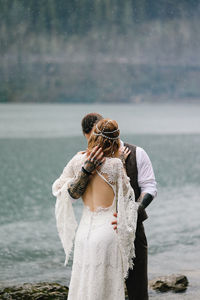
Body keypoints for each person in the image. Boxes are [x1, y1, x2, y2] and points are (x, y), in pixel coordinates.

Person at [52, 118, 139, 300]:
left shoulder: (78, 160)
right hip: (108, 232)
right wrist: (121, 161)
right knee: (106, 288)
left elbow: (58, 188)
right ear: (115, 141)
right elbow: (128, 199)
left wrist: (83, 173)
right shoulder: (115, 164)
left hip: (83, 234)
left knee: (84, 284)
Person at [75, 112, 157, 300]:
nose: (96, 146)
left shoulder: (137, 153)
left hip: (133, 232)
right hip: (99, 238)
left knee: (137, 291)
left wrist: (134, 210)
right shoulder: (86, 159)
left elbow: (150, 187)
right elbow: (76, 194)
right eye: (91, 141)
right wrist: (85, 170)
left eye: (98, 140)